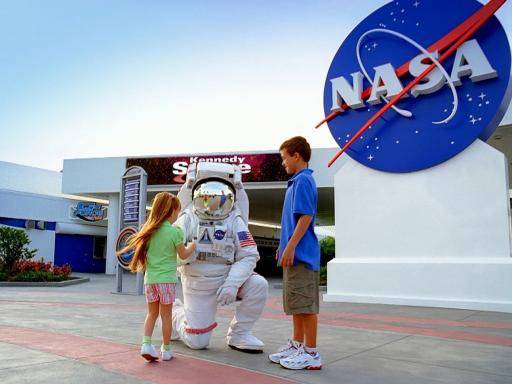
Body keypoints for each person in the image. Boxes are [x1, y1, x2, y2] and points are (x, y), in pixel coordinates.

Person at [172, 162, 268, 353]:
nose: (213, 203)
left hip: (226, 277)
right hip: (198, 281)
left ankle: (240, 333)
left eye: (220, 197)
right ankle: (173, 313)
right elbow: (171, 248)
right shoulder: (187, 218)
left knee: (259, 285)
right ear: (196, 195)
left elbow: (249, 255)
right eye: (208, 196)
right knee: (197, 341)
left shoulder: (235, 219)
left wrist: (232, 283)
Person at [118, 192, 196, 362]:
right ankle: (166, 350)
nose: (177, 215)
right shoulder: (175, 232)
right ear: (171, 211)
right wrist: (192, 246)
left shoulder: (149, 232)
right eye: (177, 212)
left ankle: (146, 344)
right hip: (167, 281)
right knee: (166, 315)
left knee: (152, 313)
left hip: (150, 280)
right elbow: (183, 255)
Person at [269, 136, 322, 370]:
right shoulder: (295, 182)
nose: (283, 163)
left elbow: (306, 216)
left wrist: (291, 246)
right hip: (293, 254)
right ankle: (297, 344)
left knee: (305, 306)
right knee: (296, 304)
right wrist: (283, 245)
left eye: (284, 158)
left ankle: (311, 353)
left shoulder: (303, 181)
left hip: (303, 256)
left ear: (296, 156)